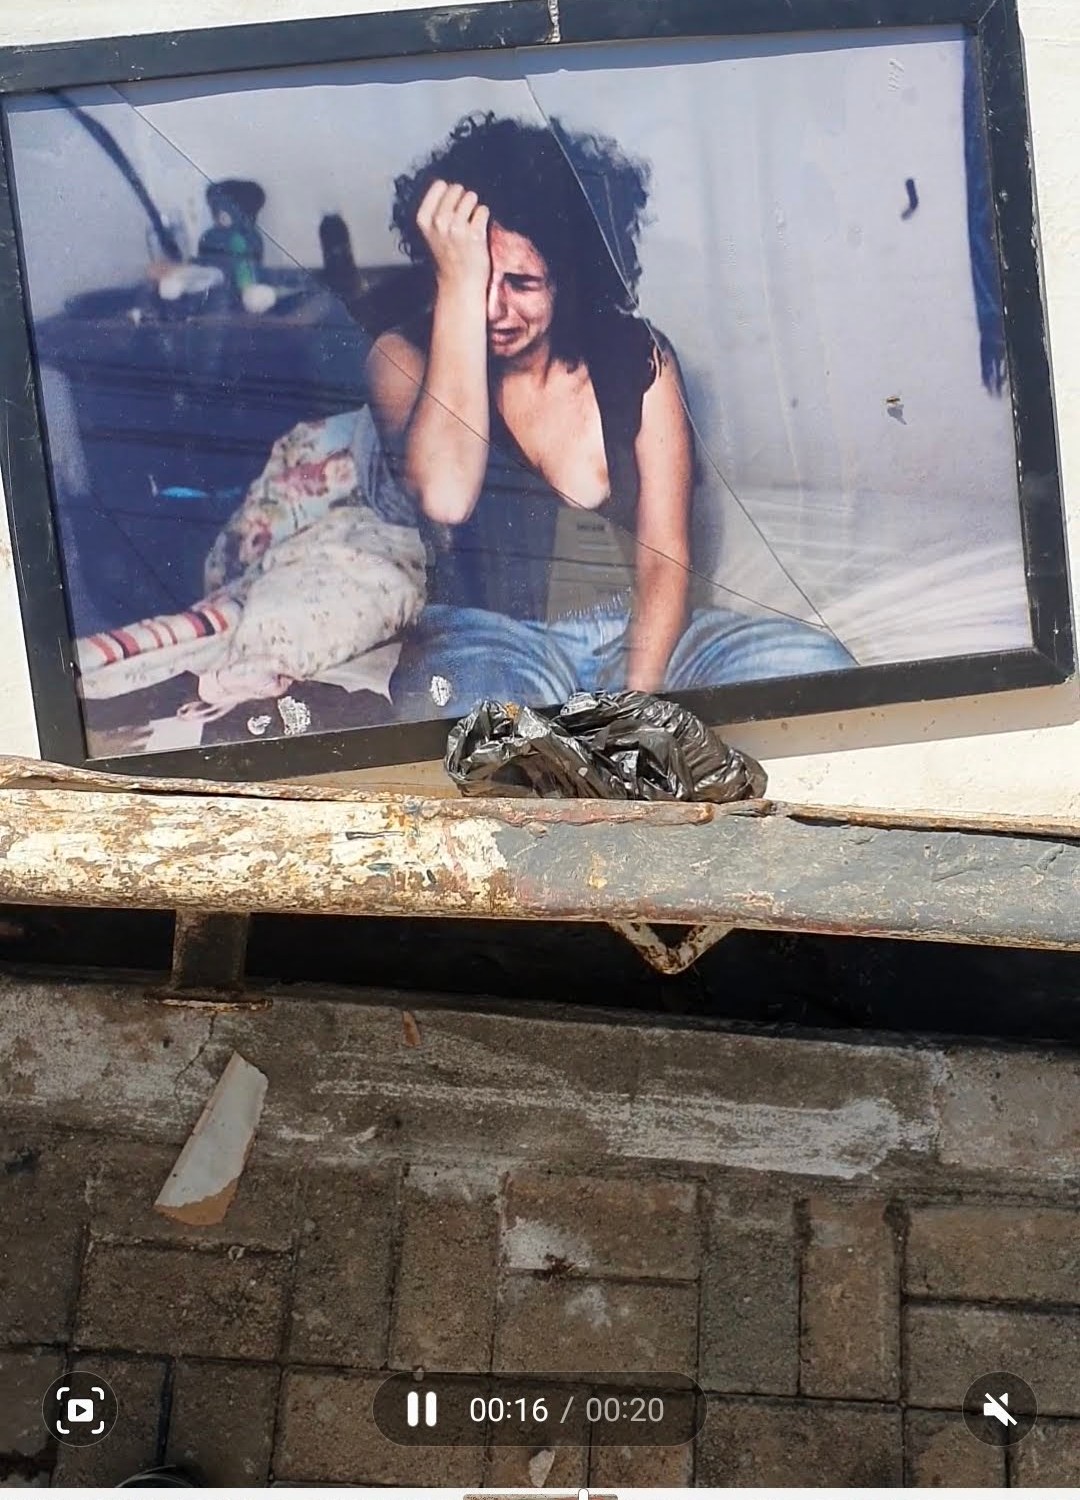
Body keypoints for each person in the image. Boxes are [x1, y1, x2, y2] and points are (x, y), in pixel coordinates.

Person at [366, 112, 853, 720]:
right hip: (491, 641)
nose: (494, 309)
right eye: (478, 279)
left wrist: (632, 710)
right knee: (483, 723)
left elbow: (664, 558)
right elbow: (445, 497)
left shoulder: (639, 356)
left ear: (568, 279)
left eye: (522, 282)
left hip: (643, 634)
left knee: (818, 668)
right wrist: (458, 287)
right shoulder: (401, 358)